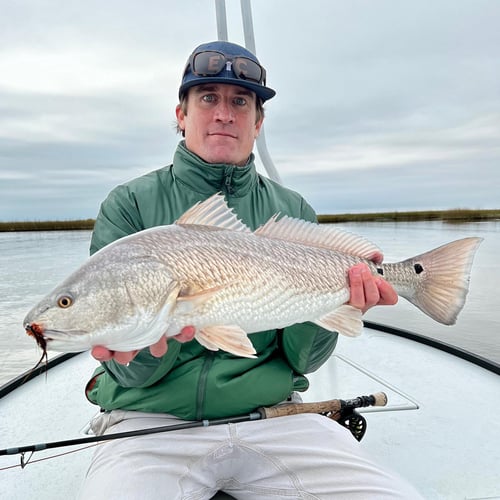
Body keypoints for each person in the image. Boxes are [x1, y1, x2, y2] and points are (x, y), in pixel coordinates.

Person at [78, 41, 422, 499]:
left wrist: (344, 303)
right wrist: (148, 341)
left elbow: (304, 361)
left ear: (258, 122)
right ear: (181, 115)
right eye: (208, 98)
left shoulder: (291, 210)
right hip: (151, 422)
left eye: (240, 102)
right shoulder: (131, 204)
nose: (224, 114)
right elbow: (131, 375)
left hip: (276, 415)